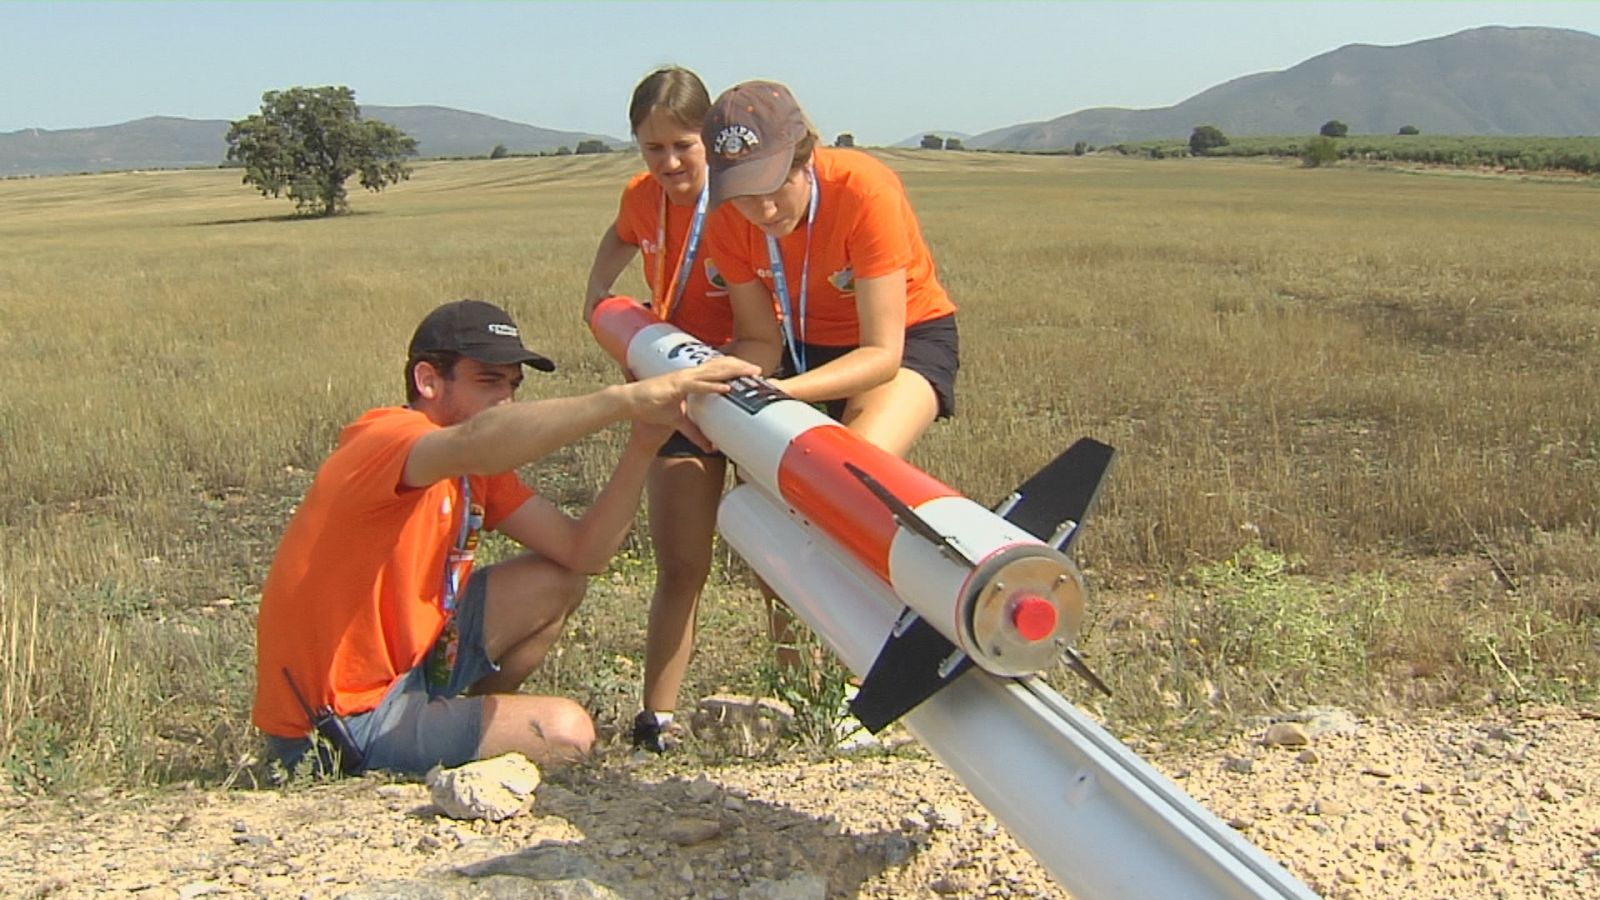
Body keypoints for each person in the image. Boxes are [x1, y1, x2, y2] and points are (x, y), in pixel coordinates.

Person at [252, 298, 757, 776]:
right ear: (428, 380)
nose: (505, 399)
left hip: (410, 672)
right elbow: (480, 442)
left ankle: (452, 726)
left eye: (513, 385)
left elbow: (586, 553)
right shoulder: (386, 439)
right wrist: (626, 399)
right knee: (566, 733)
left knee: (557, 581)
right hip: (338, 721)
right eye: (488, 381)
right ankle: (432, 744)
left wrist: (643, 443)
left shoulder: (476, 471)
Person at [700, 80, 959, 672]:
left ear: (805, 155)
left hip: (904, 338)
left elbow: (882, 352)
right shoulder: (727, 221)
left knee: (848, 478)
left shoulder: (864, 189)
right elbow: (762, 339)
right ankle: (795, 671)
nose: (762, 212)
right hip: (800, 343)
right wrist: (735, 379)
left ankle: (876, 667)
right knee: (768, 491)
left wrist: (781, 394)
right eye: (742, 196)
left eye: (773, 188)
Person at [582, 67, 775, 753]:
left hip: (750, 388)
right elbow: (621, 234)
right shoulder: (643, 197)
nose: (668, 163)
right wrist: (597, 293)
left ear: (711, 142)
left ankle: (800, 694)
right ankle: (655, 720)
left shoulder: (740, 198)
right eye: (652, 149)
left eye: (683, 146)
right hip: (676, 387)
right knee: (680, 561)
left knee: (776, 562)